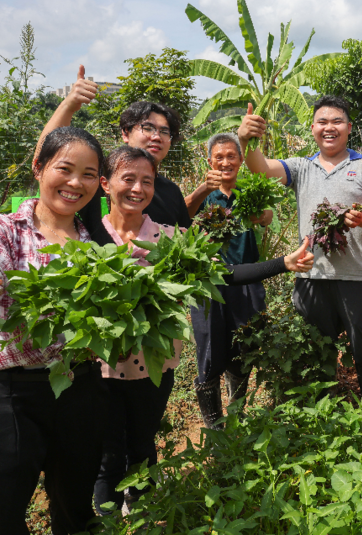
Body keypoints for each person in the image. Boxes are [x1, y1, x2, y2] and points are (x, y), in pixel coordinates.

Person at [93, 145, 314, 513]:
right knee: (108, 453)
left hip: (152, 362)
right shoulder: (87, 237)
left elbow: (222, 273)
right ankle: (108, 528)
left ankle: (144, 524)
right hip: (100, 365)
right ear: (105, 184)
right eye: (128, 179)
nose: (137, 188)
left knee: (144, 445)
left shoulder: (166, 238)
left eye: (146, 181)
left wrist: (283, 263)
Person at [0, 127, 108, 535]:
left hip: (78, 387)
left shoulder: (95, 247)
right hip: (7, 391)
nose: (76, 183)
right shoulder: (2, 228)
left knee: (76, 497)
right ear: (39, 168)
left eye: (89, 174)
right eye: (65, 169)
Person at [238, 97, 362, 410]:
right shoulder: (301, 167)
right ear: (313, 128)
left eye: (336, 121)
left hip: (355, 276)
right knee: (316, 349)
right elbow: (261, 168)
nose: (329, 127)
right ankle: (321, 414)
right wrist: (247, 140)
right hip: (310, 275)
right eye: (322, 122)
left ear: (348, 127)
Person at [39, 65, 199, 245]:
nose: (156, 137)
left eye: (164, 132)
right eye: (148, 128)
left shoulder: (171, 191)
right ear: (125, 133)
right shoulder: (94, 178)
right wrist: (68, 106)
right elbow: (47, 157)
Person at [186, 133, 274, 427]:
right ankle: (214, 426)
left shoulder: (248, 192)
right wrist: (201, 188)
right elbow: (182, 214)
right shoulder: (203, 196)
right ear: (209, 161)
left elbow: (268, 214)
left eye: (231, 156)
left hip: (247, 281)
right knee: (210, 350)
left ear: (240, 160)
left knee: (244, 347)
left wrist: (265, 215)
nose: (225, 162)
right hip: (208, 285)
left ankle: (237, 412)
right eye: (218, 157)